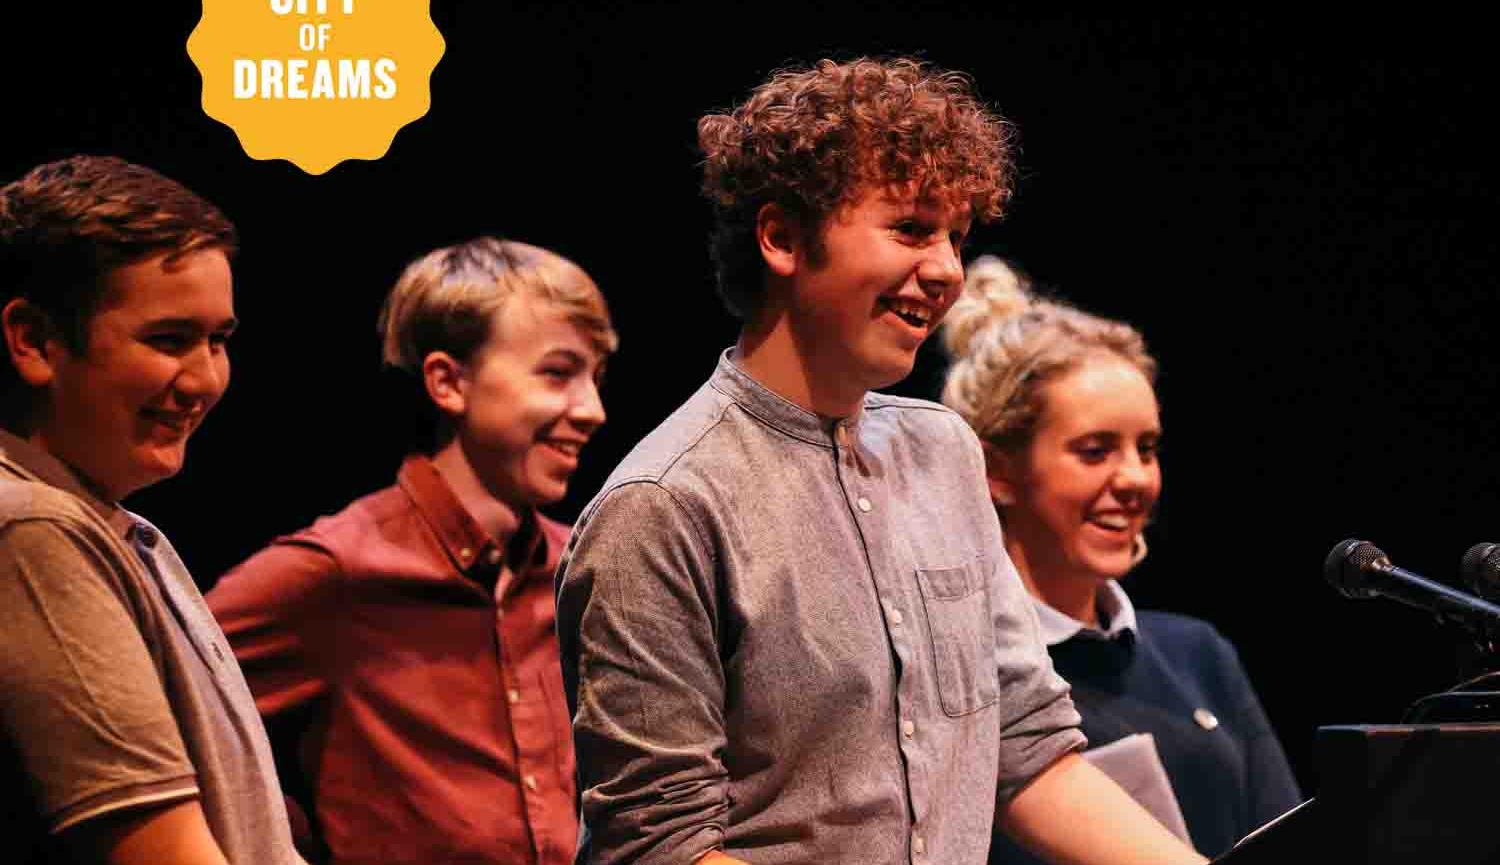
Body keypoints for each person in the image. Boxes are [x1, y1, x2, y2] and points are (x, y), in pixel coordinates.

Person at [555, 57, 1208, 865]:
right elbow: (659, 845)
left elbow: (1028, 746)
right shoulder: (663, 505)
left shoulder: (944, 454)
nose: (946, 271)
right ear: (782, 237)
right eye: (910, 229)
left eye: (956, 238)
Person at [206, 237, 615, 865]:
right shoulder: (338, 574)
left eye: (596, 377)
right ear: (448, 382)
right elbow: (159, 713)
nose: (593, 409)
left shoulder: (579, 569)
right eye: (558, 373)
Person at [940, 256, 1303, 860]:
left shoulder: (1198, 654)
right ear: (996, 470)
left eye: (1148, 448)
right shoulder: (962, 671)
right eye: (1095, 450)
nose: (1135, 478)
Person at [0, 154, 301, 865]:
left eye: (219, 341)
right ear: (35, 340)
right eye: (168, 340)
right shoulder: (32, 529)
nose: (203, 379)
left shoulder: (110, 525)